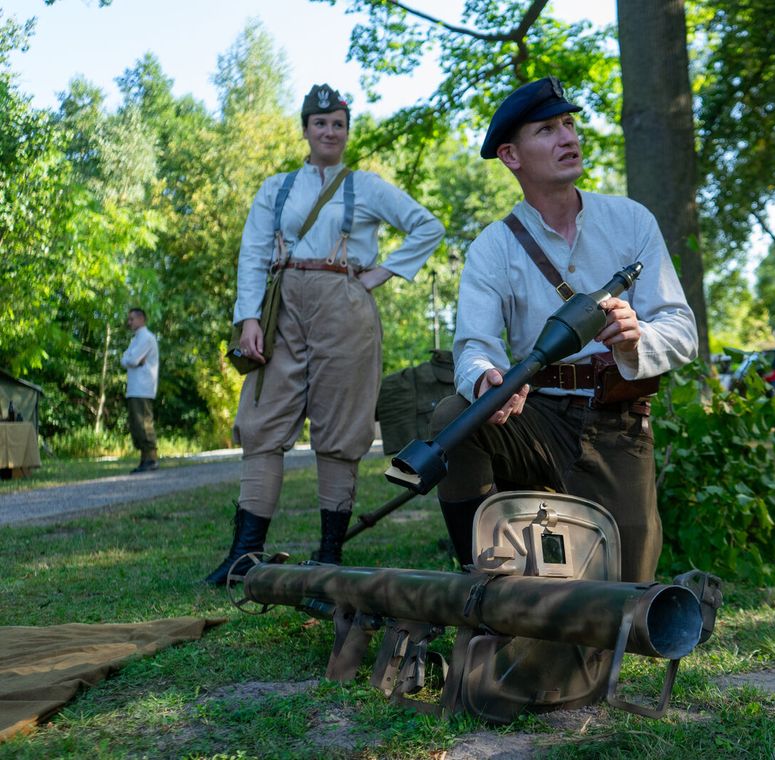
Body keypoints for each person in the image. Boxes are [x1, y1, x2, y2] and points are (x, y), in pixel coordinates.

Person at [431, 76, 698, 583]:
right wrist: (485, 378)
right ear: (511, 157)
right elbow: (474, 347)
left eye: (570, 124)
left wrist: (638, 337)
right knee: (455, 417)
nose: (568, 137)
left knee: (626, 589)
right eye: (548, 129)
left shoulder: (631, 221)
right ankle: (484, 580)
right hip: (535, 416)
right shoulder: (493, 246)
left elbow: (682, 329)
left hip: (616, 421)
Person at [204, 84, 445, 585]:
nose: (329, 131)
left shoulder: (367, 186)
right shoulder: (276, 188)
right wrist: (250, 318)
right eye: (320, 123)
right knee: (262, 418)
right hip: (284, 302)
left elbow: (427, 227)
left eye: (338, 123)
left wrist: (380, 274)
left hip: (346, 305)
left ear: (347, 131)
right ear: (306, 130)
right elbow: (252, 254)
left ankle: (330, 553)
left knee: (340, 426)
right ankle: (244, 554)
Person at [120, 307, 159, 474]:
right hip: (134, 388)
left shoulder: (147, 338)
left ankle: (151, 458)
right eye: (129, 320)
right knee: (136, 425)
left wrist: (133, 359)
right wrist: (132, 359)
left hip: (143, 387)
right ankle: (144, 459)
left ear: (141, 319)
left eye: (132, 319)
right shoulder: (135, 339)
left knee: (144, 424)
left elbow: (133, 359)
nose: (129, 323)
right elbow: (124, 360)